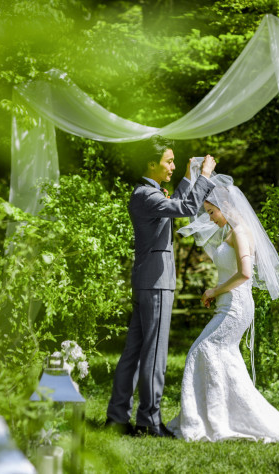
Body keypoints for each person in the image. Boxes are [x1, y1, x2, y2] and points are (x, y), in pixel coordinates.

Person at [166, 167, 279, 443]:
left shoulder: (240, 232)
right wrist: (216, 293)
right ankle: (218, 417)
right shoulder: (231, 231)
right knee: (222, 357)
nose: (210, 218)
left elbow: (245, 274)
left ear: (224, 206)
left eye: (211, 212)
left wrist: (214, 289)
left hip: (235, 307)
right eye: (207, 213)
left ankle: (212, 420)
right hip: (227, 304)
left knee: (201, 350)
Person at [106, 136, 216, 438]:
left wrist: (186, 176)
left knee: (133, 352)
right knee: (154, 353)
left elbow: (176, 203)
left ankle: (117, 417)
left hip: (147, 281)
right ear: (151, 164)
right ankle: (148, 422)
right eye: (168, 162)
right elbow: (187, 206)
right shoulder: (146, 195)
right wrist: (204, 176)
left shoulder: (147, 193)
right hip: (156, 283)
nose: (172, 165)